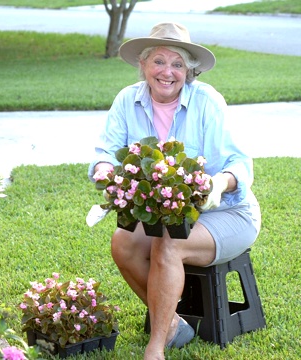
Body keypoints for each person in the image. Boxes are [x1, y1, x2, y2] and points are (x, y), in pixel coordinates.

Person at [87, 23, 261, 360]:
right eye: (159, 61)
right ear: (143, 65)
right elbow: (106, 154)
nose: (168, 72)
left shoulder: (207, 100)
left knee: (168, 242)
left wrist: (217, 183)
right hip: (166, 216)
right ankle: (172, 325)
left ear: (189, 70)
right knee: (122, 242)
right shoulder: (128, 100)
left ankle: (155, 350)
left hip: (226, 213)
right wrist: (105, 172)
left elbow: (239, 162)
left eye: (178, 64)